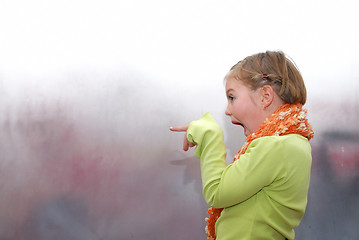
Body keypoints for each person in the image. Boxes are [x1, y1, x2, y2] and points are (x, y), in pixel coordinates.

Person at [170, 50, 314, 240]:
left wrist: (210, 135)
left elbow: (217, 192)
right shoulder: (294, 143)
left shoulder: (275, 146)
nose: (228, 110)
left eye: (232, 97)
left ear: (265, 96)